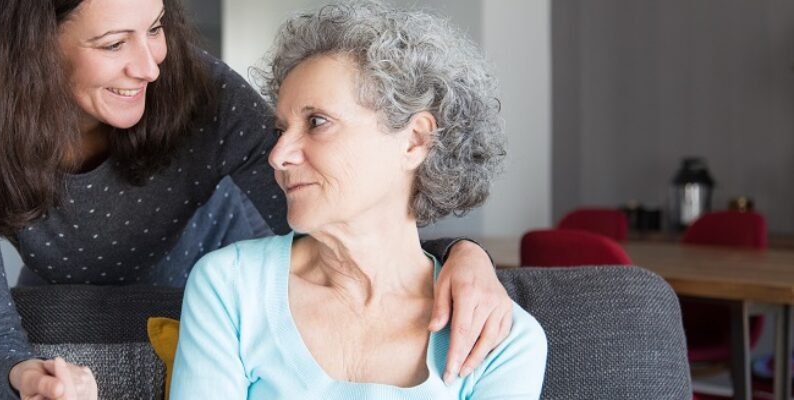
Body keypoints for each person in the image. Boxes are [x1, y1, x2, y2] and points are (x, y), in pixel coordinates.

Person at [0, 0, 513, 398]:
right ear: (22, 52)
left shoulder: (199, 92)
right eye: (113, 44)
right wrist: (23, 374)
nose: (150, 66)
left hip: (239, 276)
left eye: (155, 27)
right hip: (74, 298)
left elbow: (351, 213)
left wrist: (461, 254)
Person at [170, 1, 547, 398]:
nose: (278, 155)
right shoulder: (230, 286)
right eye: (281, 129)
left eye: (317, 122)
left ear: (414, 140)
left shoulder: (501, 340)